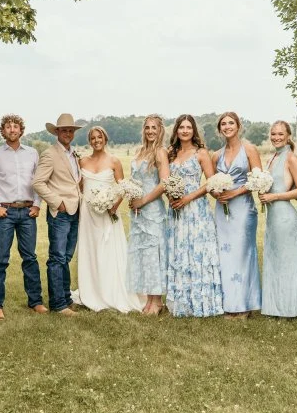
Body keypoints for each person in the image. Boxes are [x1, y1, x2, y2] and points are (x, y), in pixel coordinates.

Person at [74, 126, 145, 313]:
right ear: (89, 141)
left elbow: (122, 187)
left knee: (109, 252)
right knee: (91, 250)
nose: (96, 140)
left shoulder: (114, 161)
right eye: (93, 138)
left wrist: (112, 205)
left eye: (99, 137)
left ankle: (111, 291)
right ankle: (92, 291)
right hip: (89, 215)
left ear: (105, 139)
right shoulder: (82, 161)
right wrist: (90, 201)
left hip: (108, 213)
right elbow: (81, 188)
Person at [0, 114, 43, 320]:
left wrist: (36, 205)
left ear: (21, 130)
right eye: (8, 127)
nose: (11, 129)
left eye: (15, 126)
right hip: (5, 213)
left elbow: (38, 181)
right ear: (3, 131)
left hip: (28, 212)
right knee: (0, 259)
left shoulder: (32, 153)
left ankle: (35, 301)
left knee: (30, 258)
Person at [165, 114, 223, 317]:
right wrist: (173, 197)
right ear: (176, 130)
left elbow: (210, 182)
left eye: (189, 127)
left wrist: (188, 198)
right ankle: (180, 300)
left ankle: (201, 300)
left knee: (196, 251)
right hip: (175, 209)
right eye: (181, 127)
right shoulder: (171, 153)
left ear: (194, 130)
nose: (185, 131)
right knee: (179, 250)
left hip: (196, 209)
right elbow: (165, 179)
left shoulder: (201, 153)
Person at [211, 111, 262, 318]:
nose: (227, 126)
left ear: (238, 126)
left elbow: (258, 179)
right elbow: (212, 181)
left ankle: (244, 305)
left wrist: (235, 192)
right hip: (223, 211)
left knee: (242, 254)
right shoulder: (216, 155)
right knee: (225, 255)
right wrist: (216, 192)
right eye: (223, 124)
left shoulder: (249, 149)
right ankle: (228, 304)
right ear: (220, 129)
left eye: (231, 123)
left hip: (242, 208)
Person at [32, 113, 82, 317]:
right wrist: (57, 202)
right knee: (57, 258)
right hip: (60, 213)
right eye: (64, 130)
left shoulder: (73, 154)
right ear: (57, 132)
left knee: (66, 257)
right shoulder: (50, 154)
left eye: (70, 130)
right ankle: (58, 303)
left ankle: (67, 298)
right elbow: (37, 183)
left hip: (76, 211)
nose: (68, 133)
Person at [258, 121, 297, 318]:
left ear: (288, 137)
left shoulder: (291, 158)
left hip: (285, 216)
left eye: (280, 134)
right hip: (272, 216)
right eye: (273, 134)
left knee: (287, 261)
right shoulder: (273, 158)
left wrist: (274, 196)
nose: (276, 137)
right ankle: (274, 306)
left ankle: (289, 307)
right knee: (275, 259)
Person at [127, 115, 170, 315]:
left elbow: (164, 184)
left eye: (154, 128)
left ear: (160, 130)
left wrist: (143, 201)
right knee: (144, 254)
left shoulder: (161, 152)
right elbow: (134, 179)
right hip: (137, 213)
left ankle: (157, 301)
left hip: (152, 210)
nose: (150, 131)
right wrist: (131, 195)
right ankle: (149, 299)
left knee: (154, 253)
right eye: (147, 128)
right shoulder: (139, 152)